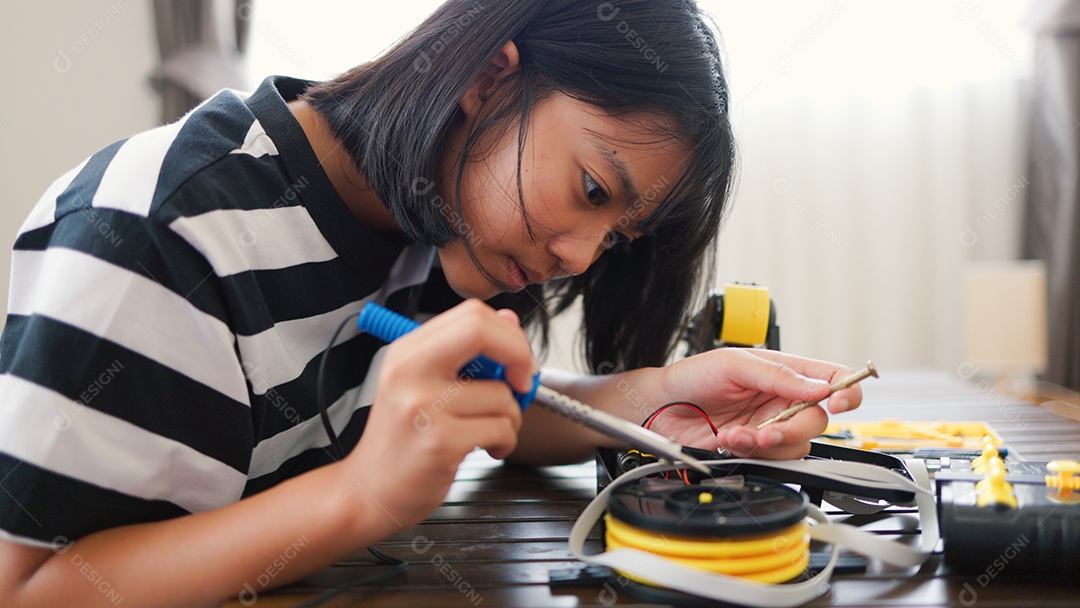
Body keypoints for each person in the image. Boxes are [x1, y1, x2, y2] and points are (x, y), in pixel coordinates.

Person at [0, 0, 862, 605]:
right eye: (593, 188)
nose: (578, 256)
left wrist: (655, 400)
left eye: (616, 237)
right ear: (490, 77)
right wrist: (361, 501)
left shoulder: (445, 225)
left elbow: (486, 409)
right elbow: (29, 587)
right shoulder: (159, 232)